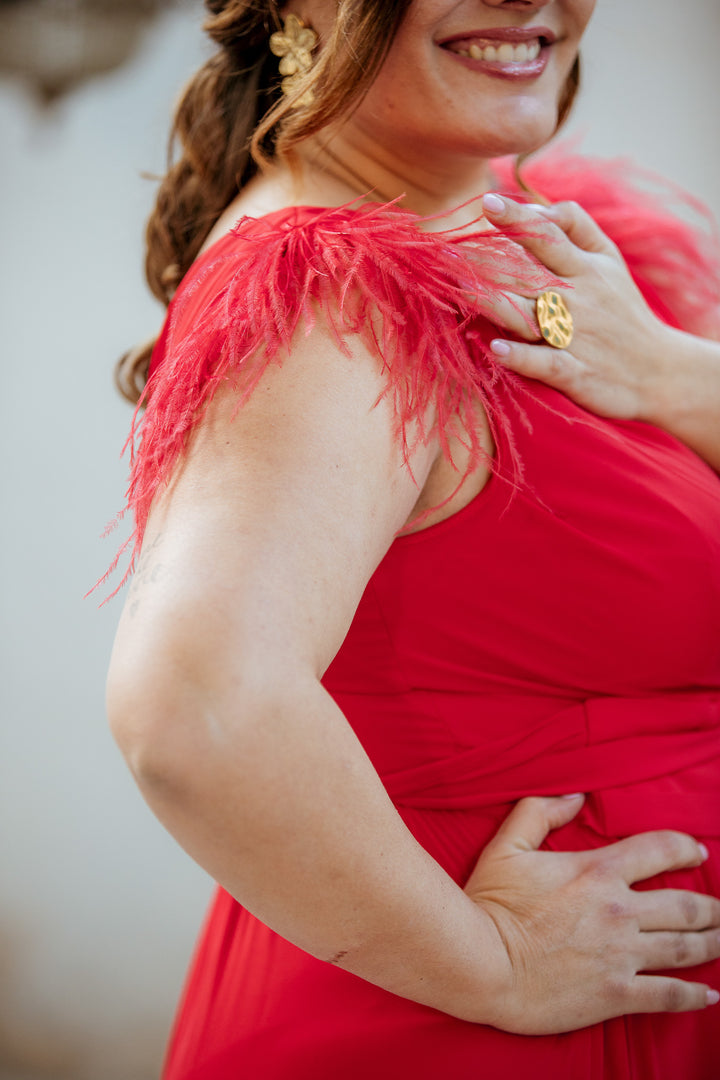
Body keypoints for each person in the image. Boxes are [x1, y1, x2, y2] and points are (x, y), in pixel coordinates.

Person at [105, 1, 720, 1077]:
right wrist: (495, 966)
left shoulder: (525, 243)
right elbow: (196, 704)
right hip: (467, 1043)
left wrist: (669, 372)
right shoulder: (335, 300)